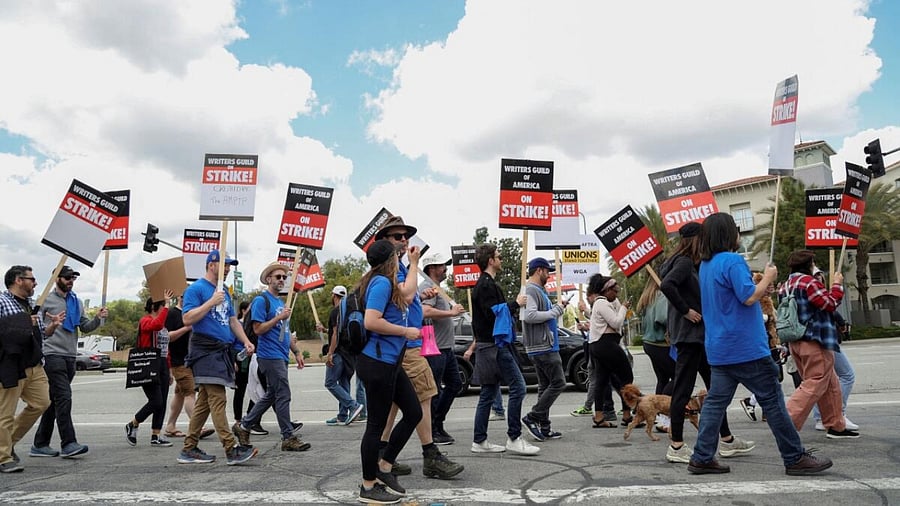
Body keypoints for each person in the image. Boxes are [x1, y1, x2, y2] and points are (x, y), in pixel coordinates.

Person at [690, 212, 832, 476]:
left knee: (715, 404)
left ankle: (701, 456)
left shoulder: (706, 265)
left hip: (720, 348)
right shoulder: (733, 260)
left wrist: (761, 289)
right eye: (735, 229)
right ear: (727, 234)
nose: (738, 233)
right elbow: (746, 297)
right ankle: (794, 457)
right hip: (745, 348)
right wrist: (767, 277)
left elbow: (737, 297)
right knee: (773, 402)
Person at [375, 216, 463, 479]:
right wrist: (414, 265)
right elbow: (406, 295)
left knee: (393, 405)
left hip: (402, 345)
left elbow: (407, 299)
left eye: (405, 236)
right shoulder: (394, 268)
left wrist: (418, 296)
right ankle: (430, 455)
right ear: (384, 241)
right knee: (424, 397)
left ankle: (382, 455)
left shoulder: (398, 268)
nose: (404, 241)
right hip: (406, 344)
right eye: (396, 237)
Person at [659, 222, 751, 464]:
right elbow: (667, 285)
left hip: (696, 337)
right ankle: (676, 446)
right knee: (683, 390)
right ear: (697, 239)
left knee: (715, 389)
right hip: (691, 336)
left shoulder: (686, 261)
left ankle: (727, 440)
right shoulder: (684, 262)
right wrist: (687, 310)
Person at [355, 239, 424, 504]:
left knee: (414, 412)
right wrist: (405, 331)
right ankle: (368, 486)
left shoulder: (388, 281)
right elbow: (371, 321)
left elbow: (408, 294)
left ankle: (384, 468)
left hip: (390, 361)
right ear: (390, 260)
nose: (400, 258)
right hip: (377, 363)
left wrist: (415, 264)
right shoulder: (381, 283)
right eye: (397, 255)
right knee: (375, 426)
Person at [177, 250, 257, 465]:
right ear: (211, 265)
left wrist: (246, 341)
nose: (228, 269)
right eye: (225, 264)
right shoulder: (196, 289)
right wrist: (210, 302)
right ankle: (231, 449)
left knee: (204, 402)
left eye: (230, 265)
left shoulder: (225, 292)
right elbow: (187, 318)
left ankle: (189, 447)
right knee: (218, 398)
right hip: (204, 349)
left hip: (220, 351)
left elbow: (232, 321)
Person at [465, 243, 538, 456]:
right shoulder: (487, 285)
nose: (501, 259)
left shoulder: (485, 284)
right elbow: (492, 314)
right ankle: (514, 437)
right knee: (519, 387)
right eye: (498, 256)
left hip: (487, 346)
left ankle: (480, 441)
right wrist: (515, 304)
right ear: (490, 260)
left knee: (488, 393)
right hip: (496, 346)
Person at [780, 250, 859, 439]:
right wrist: (837, 285)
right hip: (815, 339)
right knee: (815, 382)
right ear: (809, 264)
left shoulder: (786, 285)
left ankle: (835, 425)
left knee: (830, 383)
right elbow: (829, 304)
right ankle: (785, 422)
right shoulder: (808, 282)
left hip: (795, 340)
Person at [232, 263, 310, 452]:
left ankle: (244, 425)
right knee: (283, 394)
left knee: (272, 394)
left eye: (284, 277)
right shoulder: (262, 301)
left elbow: (285, 331)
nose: (282, 280)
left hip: (281, 355)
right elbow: (258, 329)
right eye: (278, 277)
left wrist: (297, 351)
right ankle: (288, 436)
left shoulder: (281, 303)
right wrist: (279, 318)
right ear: (269, 280)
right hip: (269, 356)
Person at [33, 265, 107, 459]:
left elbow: (85, 326)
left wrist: (98, 319)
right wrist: (51, 324)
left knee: (53, 402)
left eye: (73, 278)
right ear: (56, 278)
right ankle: (68, 443)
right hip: (52, 354)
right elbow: (35, 328)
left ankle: (40, 444)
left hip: (70, 355)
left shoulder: (77, 302)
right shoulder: (44, 301)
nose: (70, 281)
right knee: (64, 397)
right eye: (67, 278)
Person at [0, 266, 54, 472]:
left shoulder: (32, 304)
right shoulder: (2, 301)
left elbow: (40, 334)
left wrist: (51, 327)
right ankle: (3, 457)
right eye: (31, 279)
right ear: (18, 280)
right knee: (5, 413)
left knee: (42, 403)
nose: (35, 283)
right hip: (11, 365)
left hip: (34, 364)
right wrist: (22, 321)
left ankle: (7, 442)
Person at [419, 253, 465, 446]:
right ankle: (433, 430)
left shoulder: (439, 288)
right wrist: (451, 312)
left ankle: (438, 422)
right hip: (434, 349)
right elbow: (423, 311)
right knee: (434, 390)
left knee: (455, 384)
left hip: (446, 349)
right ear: (431, 268)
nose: (445, 268)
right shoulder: (426, 288)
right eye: (441, 266)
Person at [521, 257, 569, 441]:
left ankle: (544, 427)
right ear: (539, 270)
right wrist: (555, 312)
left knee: (545, 386)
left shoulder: (536, 290)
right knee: (558, 383)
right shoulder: (532, 290)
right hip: (544, 347)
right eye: (548, 271)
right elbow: (530, 316)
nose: (549, 275)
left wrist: (556, 308)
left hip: (540, 345)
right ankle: (533, 417)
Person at [125, 289, 176, 447]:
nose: (165, 310)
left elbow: (165, 347)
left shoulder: (162, 324)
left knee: (162, 401)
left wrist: (169, 370)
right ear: (156, 307)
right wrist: (168, 305)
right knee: (156, 401)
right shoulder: (145, 320)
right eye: (163, 306)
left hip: (161, 364)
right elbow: (157, 324)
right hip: (148, 364)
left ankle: (156, 435)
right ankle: (133, 423)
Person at [810, 269, 858, 432]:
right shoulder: (811, 289)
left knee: (823, 381)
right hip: (824, 339)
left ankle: (822, 417)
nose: (820, 278)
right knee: (847, 375)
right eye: (817, 275)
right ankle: (837, 415)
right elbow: (830, 306)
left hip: (815, 339)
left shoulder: (799, 287)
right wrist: (837, 285)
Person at [163, 296, 215, 440]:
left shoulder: (193, 314)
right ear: (180, 298)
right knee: (190, 393)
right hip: (178, 360)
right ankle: (198, 426)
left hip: (190, 359)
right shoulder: (173, 313)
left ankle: (170, 426)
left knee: (180, 393)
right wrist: (187, 328)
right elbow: (167, 336)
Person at [584, 274, 633, 428]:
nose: (616, 294)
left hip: (598, 345)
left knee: (602, 379)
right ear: (606, 290)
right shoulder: (602, 303)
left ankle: (599, 416)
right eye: (614, 291)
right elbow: (616, 321)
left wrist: (620, 305)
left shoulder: (603, 303)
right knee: (626, 376)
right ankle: (627, 415)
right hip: (607, 344)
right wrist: (624, 307)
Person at [322, 285, 365, 426]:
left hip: (339, 352)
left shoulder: (336, 311)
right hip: (351, 353)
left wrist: (330, 353)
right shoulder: (348, 311)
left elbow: (335, 334)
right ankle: (342, 415)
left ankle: (353, 406)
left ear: (334, 296)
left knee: (330, 382)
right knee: (344, 382)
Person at [635, 280, 674, 431]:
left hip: (649, 343)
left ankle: (658, 416)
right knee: (678, 378)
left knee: (662, 379)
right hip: (661, 343)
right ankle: (664, 416)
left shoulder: (648, 297)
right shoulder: (663, 295)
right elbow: (662, 318)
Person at [233, 301, 264, 435]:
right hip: (241, 360)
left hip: (254, 359)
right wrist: (233, 360)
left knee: (257, 389)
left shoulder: (253, 324)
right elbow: (231, 343)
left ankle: (251, 418)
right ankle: (239, 420)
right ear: (243, 310)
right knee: (240, 391)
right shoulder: (237, 324)